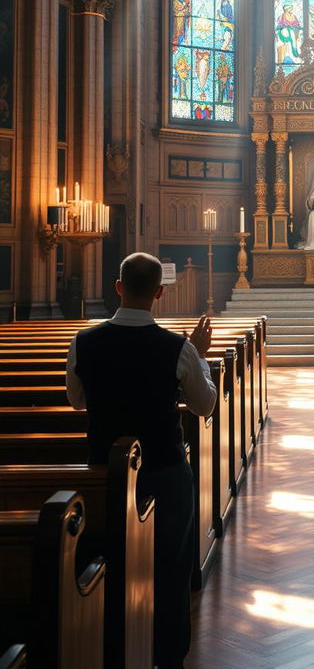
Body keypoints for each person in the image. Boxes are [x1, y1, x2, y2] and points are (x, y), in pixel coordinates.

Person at [66, 252, 216, 669]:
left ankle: (110, 648)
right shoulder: (180, 348)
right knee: (170, 568)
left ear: (118, 287)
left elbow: (76, 401)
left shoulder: (83, 341)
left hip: (102, 475)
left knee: (108, 558)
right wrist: (200, 357)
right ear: (160, 293)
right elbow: (205, 407)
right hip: (165, 472)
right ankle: (168, 656)